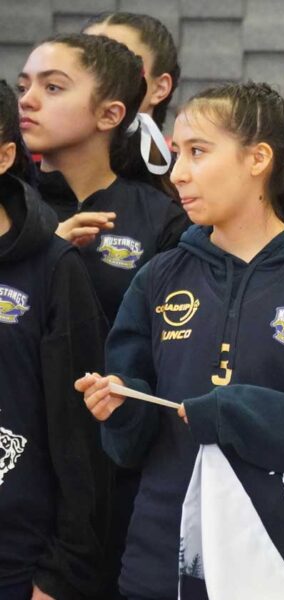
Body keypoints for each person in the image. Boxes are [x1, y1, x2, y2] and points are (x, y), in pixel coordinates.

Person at [76, 82, 284, 600]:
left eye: (198, 152)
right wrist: (120, 406)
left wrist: (236, 413)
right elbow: (127, 448)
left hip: (281, 568)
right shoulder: (160, 277)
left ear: (258, 159)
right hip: (161, 567)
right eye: (178, 155)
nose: (178, 173)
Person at [0, 79, 110, 600]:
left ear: (4, 157)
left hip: (20, 564)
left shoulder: (52, 268)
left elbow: (80, 439)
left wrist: (61, 571)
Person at [17, 33, 188, 323]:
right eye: (23, 87)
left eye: (53, 87)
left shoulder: (162, 218)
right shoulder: (9, 204)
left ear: (110, 114)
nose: (27, 101)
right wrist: (46, 256)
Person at [84, 11, 182, 200]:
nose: (94, 79)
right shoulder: (30, 174)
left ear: (159, 88)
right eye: (85, 63)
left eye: (116, 62)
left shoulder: (184, 184)